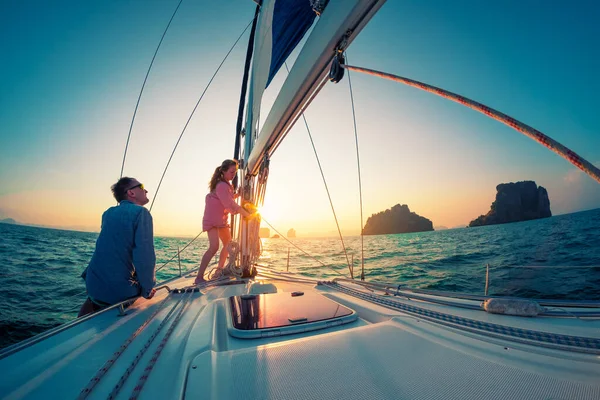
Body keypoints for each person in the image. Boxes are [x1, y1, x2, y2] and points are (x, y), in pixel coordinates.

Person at [78, 177, 157, 317]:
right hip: (119, 291)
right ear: (131, 193)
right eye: (141, 186)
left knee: (98, 293)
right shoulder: (142, 213)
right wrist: (148, 289)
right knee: (144, 285)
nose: (146, 190)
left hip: (92, 284)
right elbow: (144, 257)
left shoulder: (107, 213)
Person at [195, 159, 254, 284]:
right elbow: (228, 204)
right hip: (212, 220)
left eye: (235, 172)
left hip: (221, 220)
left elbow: (227, 198)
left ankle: (219, 270)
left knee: (228, 244)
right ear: (223, 171)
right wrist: (246, 213)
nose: (233, 175)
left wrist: (237, 195)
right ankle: (199, 277)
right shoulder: (222, 185)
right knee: (214, 247)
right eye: (231, 172)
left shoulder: (226, 184)